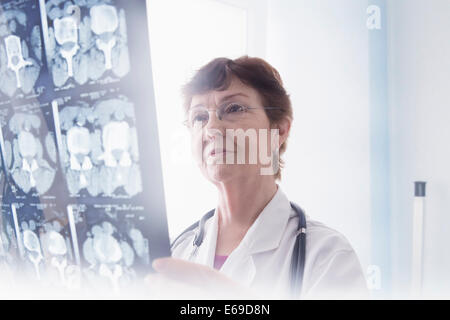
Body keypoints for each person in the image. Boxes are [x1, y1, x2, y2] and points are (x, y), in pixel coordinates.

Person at [149, 56, 369, 299]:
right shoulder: (176, 251)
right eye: (199, 117)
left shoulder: (326, 257)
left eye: (233, 109)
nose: (211, 129)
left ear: (279, 131)